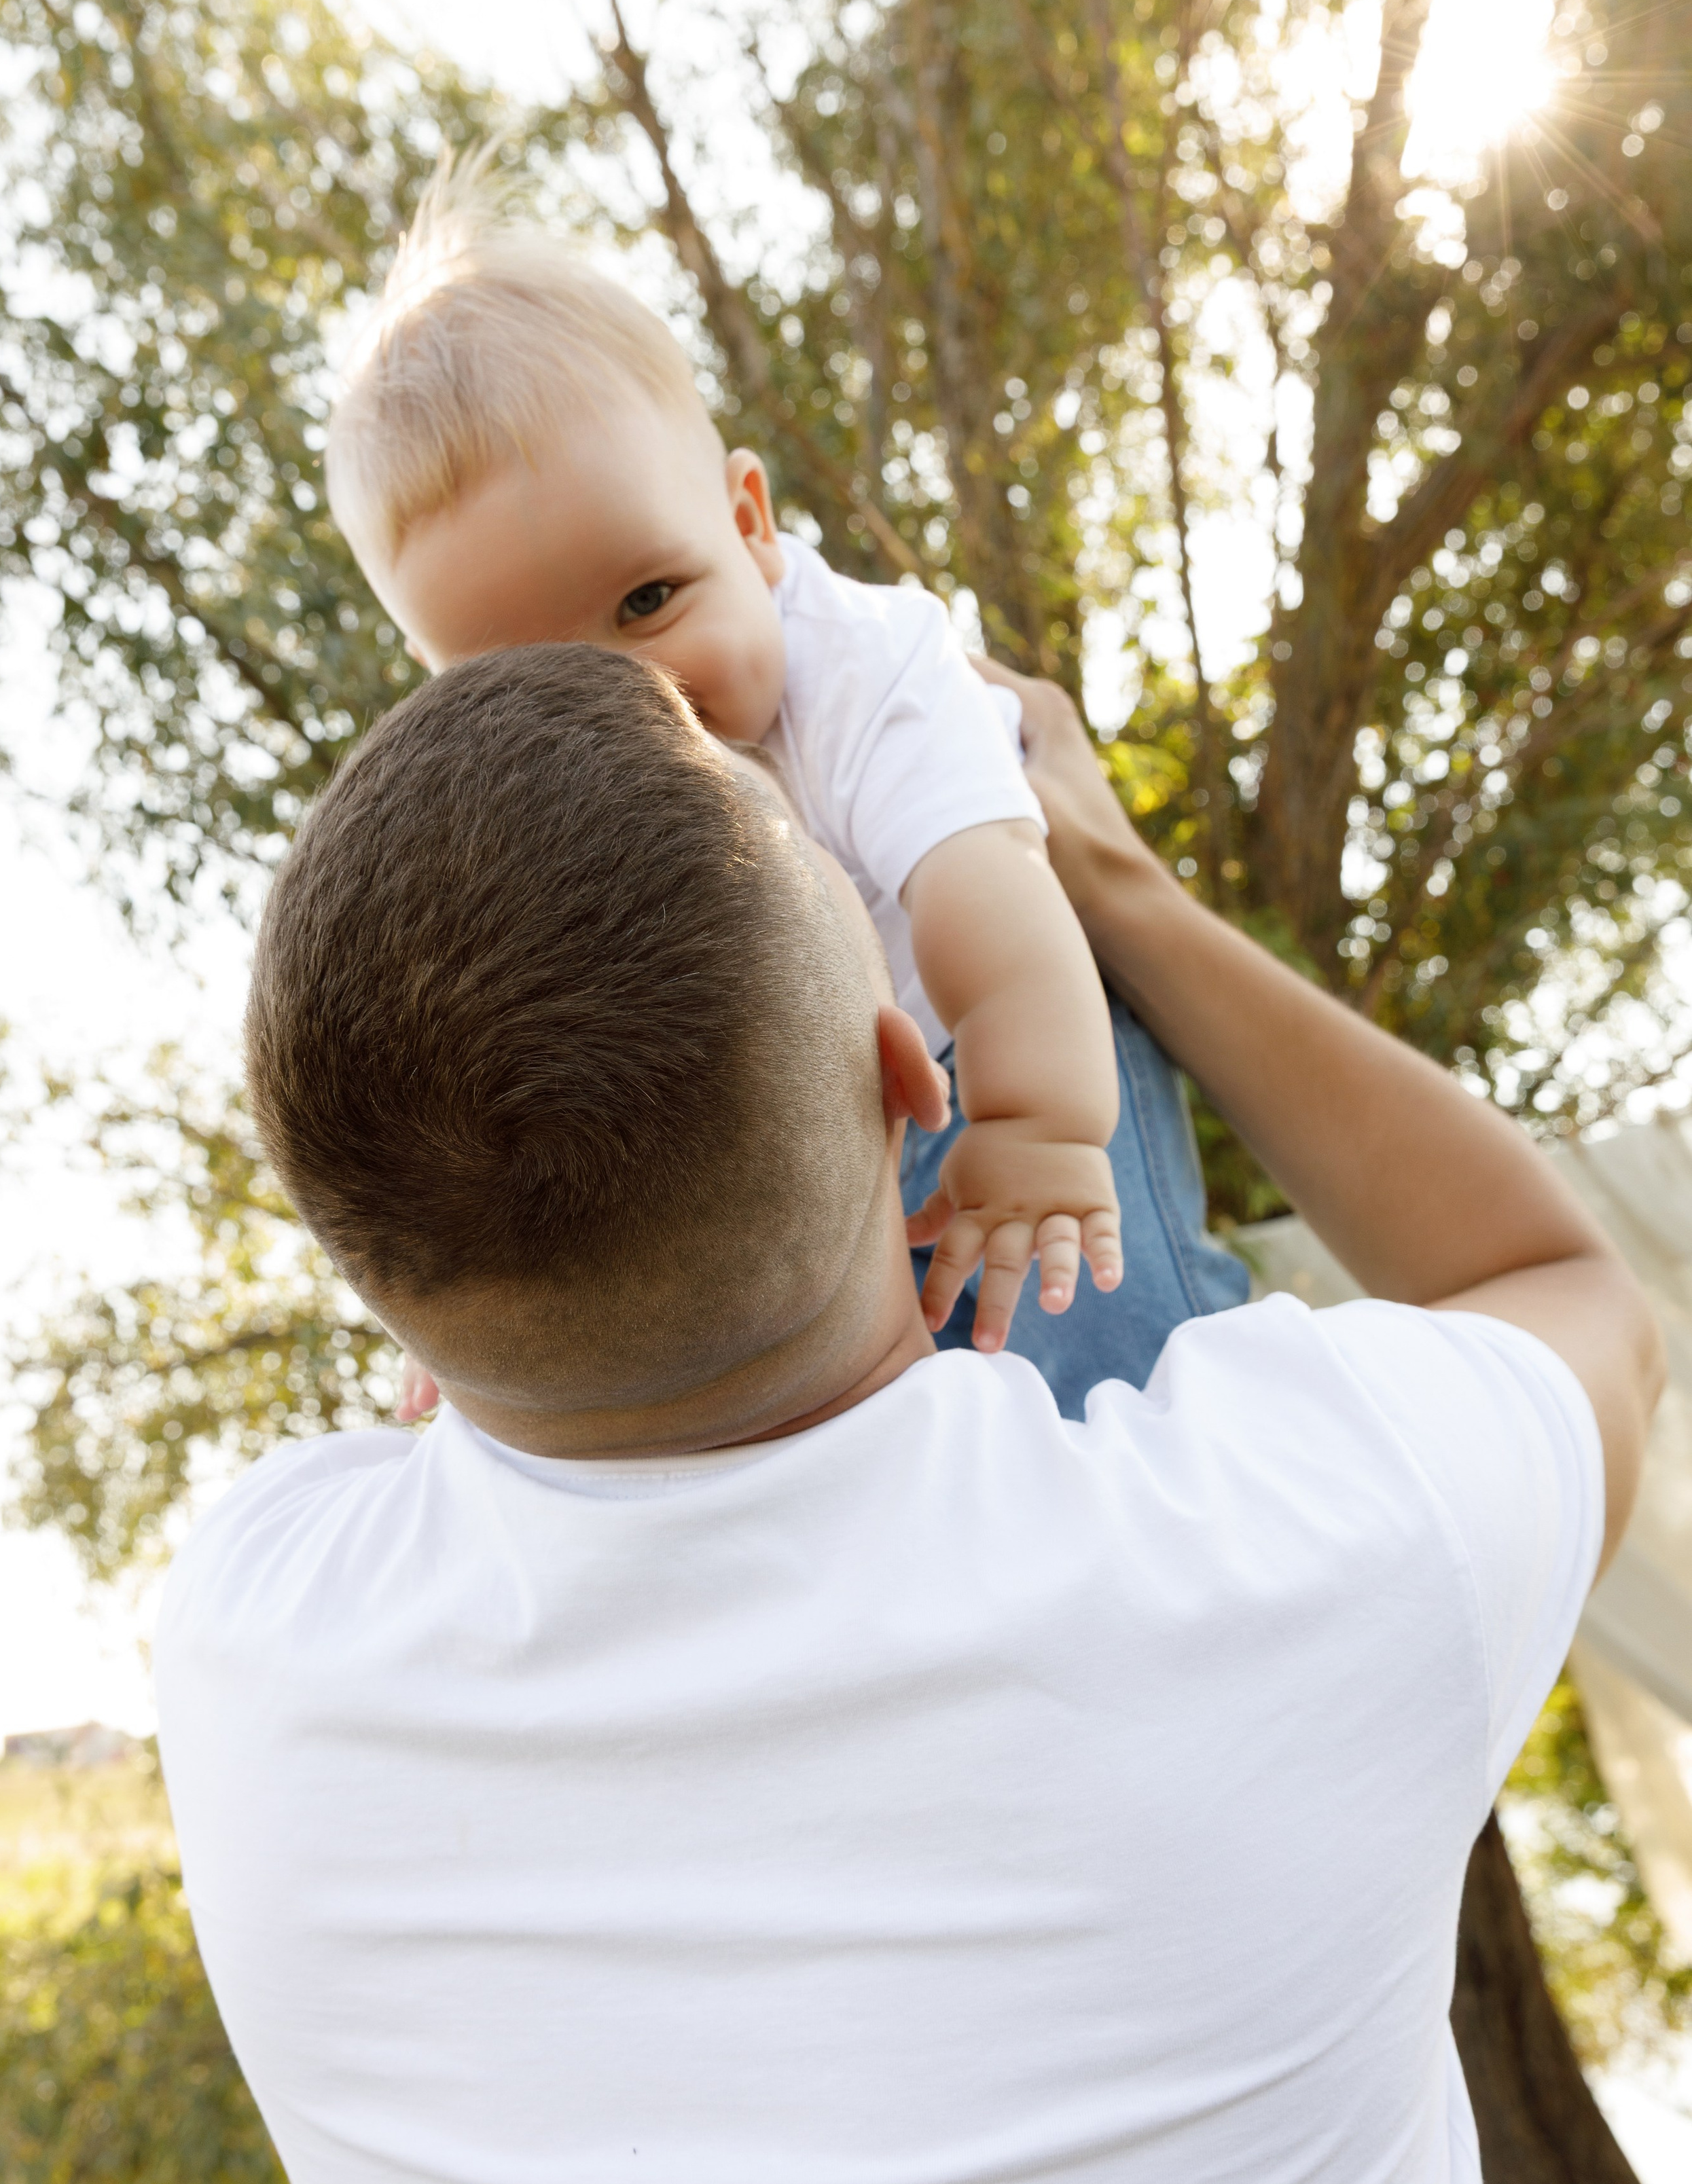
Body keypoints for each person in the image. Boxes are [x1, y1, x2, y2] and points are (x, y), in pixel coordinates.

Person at [157, 642, 1659, 2184]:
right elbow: (1568, 1288)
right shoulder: (1294, 1543)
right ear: (908, 1082)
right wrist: (1117, 889)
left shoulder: (247, 1643)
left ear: (381, 1269)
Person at [324, 156, 1246, 1404]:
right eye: (532, 674)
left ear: (747, 522)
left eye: (648, 601)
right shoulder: (528, 825)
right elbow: (507, 1064)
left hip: (1002, 1035)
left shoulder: (865, 666)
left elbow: (991, 893)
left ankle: (1189, 1448)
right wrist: (487, 1321)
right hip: (818, 1136)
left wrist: (1034, 1126)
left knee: (1101, 1340)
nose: (631, 697)